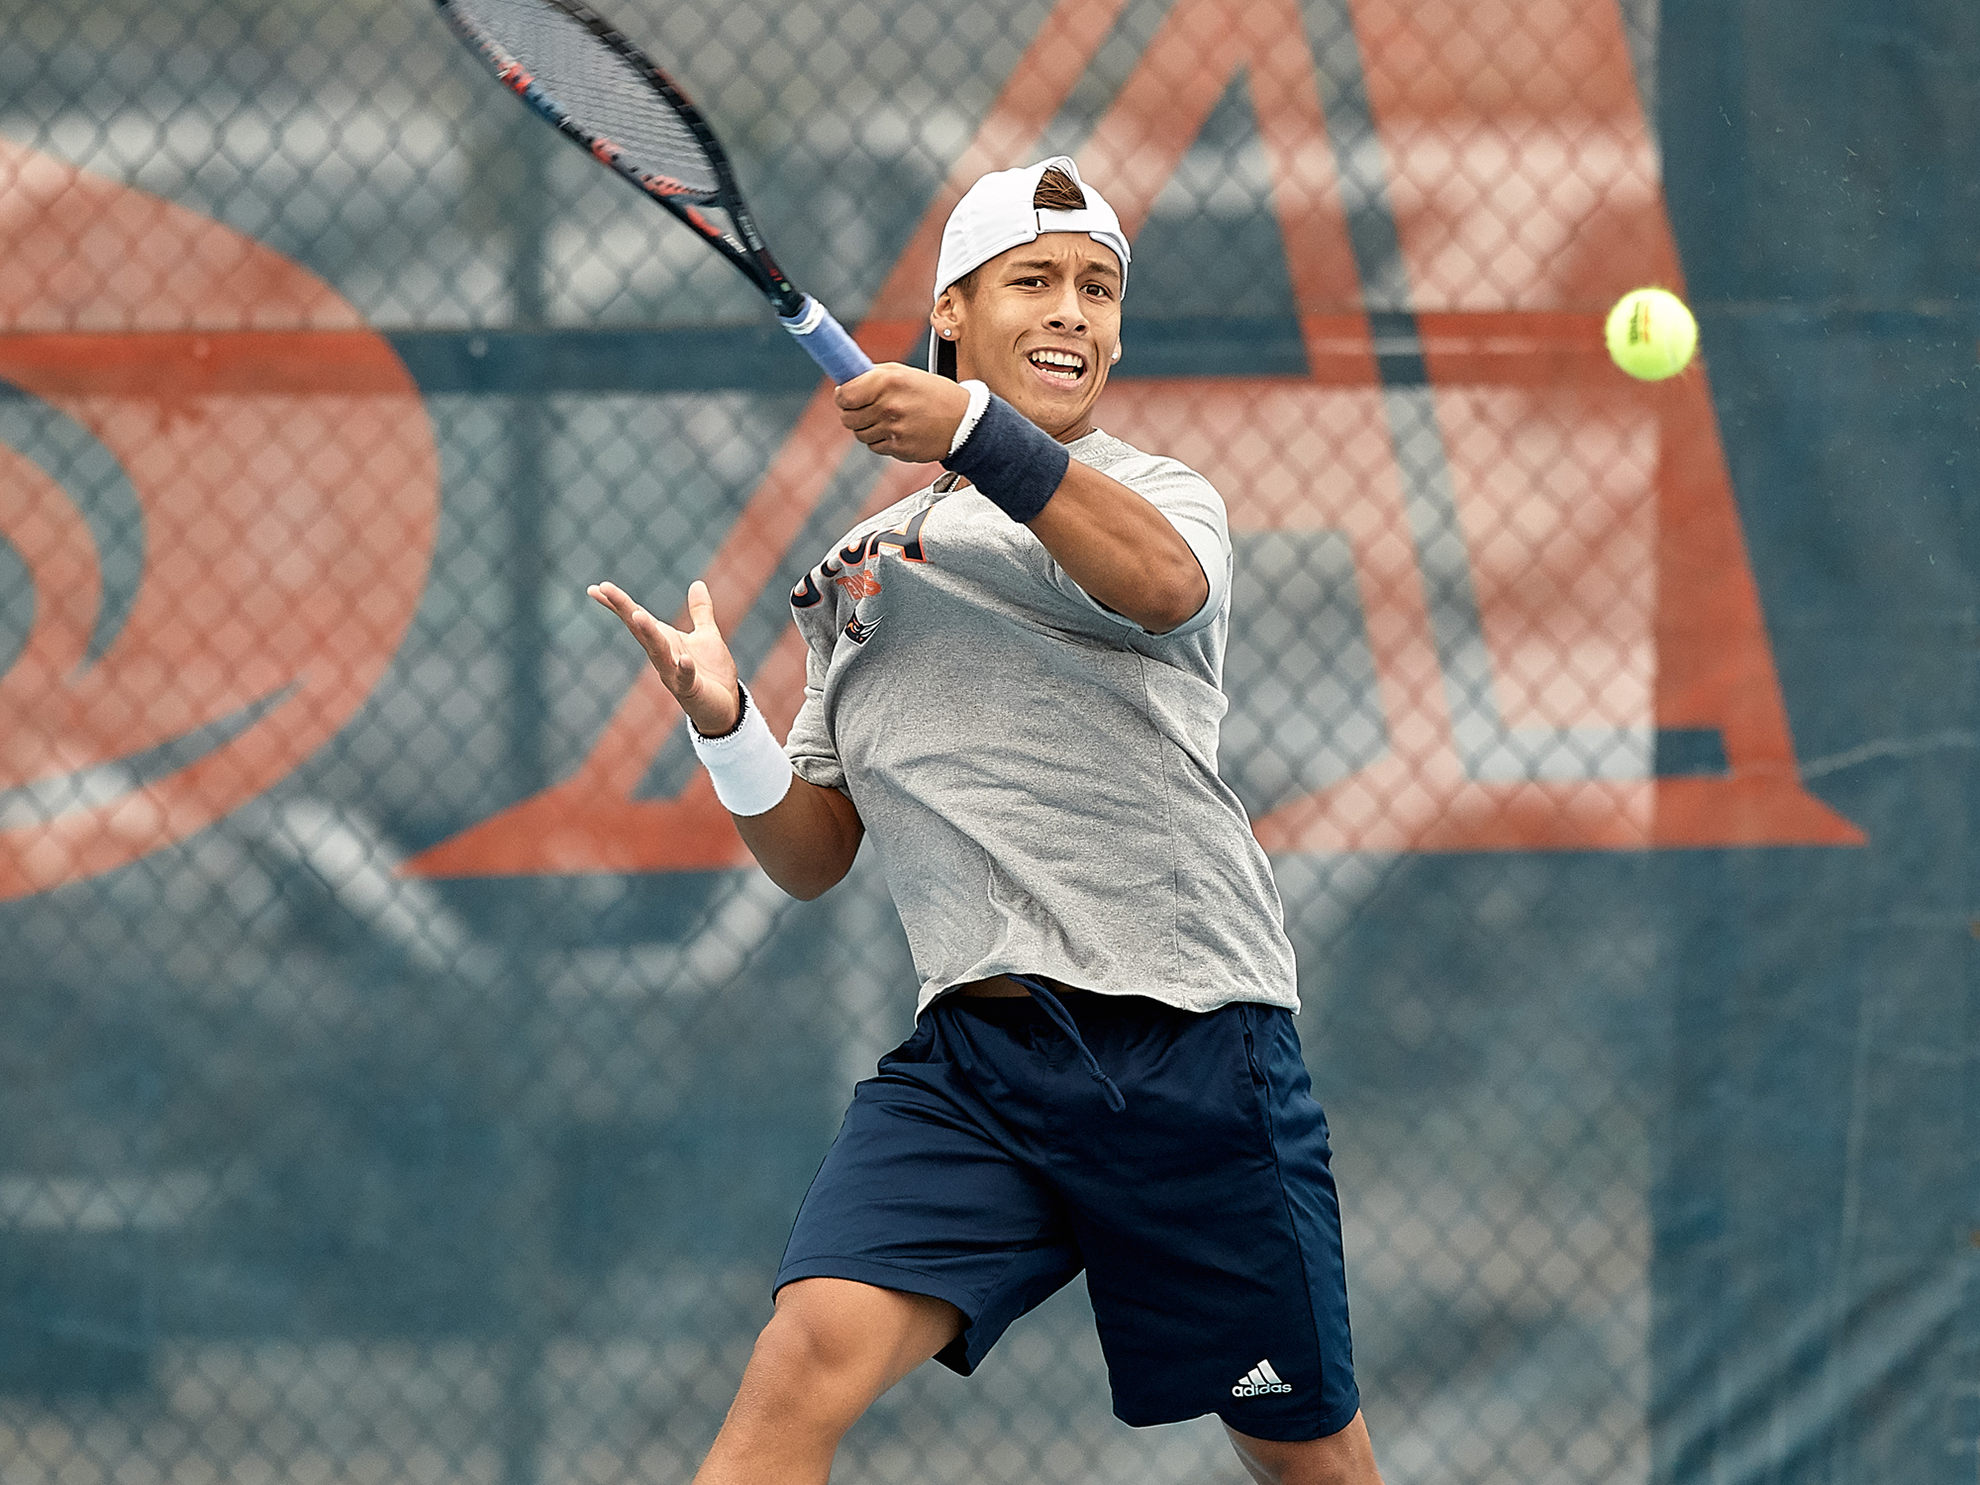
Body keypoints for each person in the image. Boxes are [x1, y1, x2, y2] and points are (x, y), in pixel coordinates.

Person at [588, 156, 1385, 1485]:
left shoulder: (1161, 502)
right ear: (954, 309)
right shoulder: (861, 572)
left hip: (1187, 1050)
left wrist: (967, 430)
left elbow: (1157, 585)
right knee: (802, 1361)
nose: (1072, 313)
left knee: (1304, 1457)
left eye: (1097, 289)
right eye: (1035, 282)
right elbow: (812, 854)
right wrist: (722, 725)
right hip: (979, 1068)